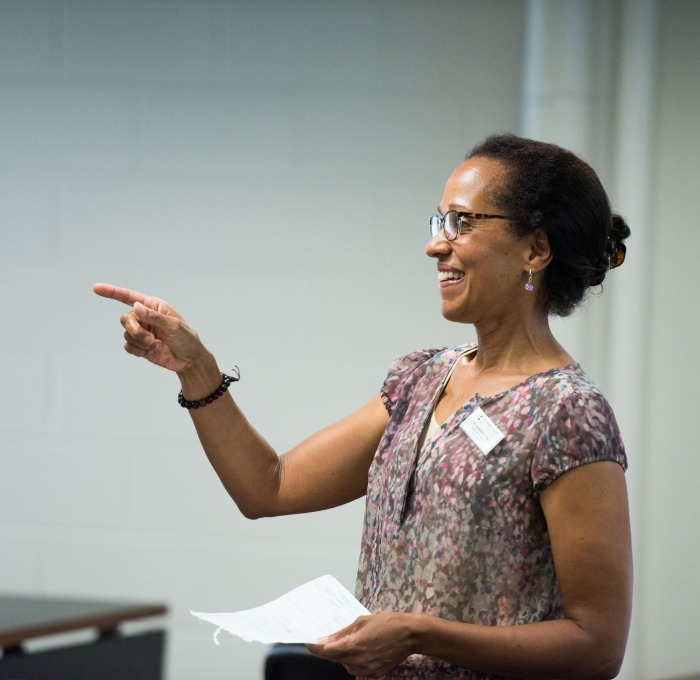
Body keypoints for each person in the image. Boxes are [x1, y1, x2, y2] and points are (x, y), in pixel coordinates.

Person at [94, 133, 632, 680]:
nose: (435, 245)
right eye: (438, 222)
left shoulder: (567, 413)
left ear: (535, 250)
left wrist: (419, 633)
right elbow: (269, 486)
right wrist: (196, 369)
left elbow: (596, 645)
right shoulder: (420, 379)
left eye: (462, 223)